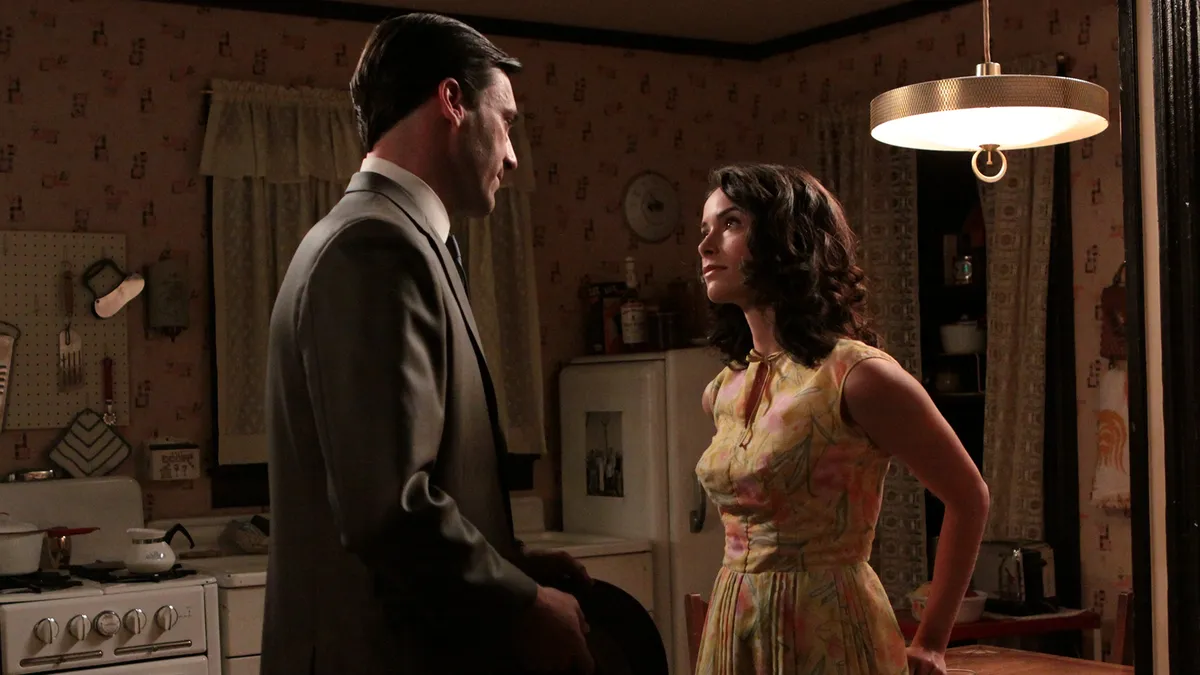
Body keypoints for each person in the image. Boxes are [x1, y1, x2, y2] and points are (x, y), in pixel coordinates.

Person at [261, 13, 594, 675]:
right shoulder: (373, 247)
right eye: (506, 122)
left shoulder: (399, 238)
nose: (512, 155)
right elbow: (388, 509)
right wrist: (522, 604)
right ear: (452, 101)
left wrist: (512, 564)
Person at [692, 164, 990, 675]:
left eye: (731, 223)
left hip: (829, 628)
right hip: (735, 625)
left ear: (786, 239)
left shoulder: (857, 376)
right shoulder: (723, 390)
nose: (706, 245)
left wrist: (932, 640)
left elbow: (969, 497)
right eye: (705, 229)